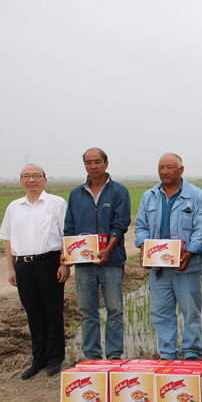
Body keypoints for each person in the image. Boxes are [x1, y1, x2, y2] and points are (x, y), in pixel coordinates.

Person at [0, 164, 71, 379]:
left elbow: (67, 235)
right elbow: (8, 240)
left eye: (36, 176)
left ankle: (55, 357)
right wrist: (11, 268)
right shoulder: (14, 207)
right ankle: (38, 359)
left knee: (53, 312)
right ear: (21, 181)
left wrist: (65, 265)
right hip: (23, 265)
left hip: (49, 262)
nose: (32, 180)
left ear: (44, 179)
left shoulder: (56, 203)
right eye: (27, 176)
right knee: (33, 314)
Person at [134, 153, 202, 360]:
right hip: (158, 268)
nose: (164, 171)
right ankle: (168, 353)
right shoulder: (149, 196)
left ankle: (192, 353)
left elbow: (201, 228)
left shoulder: (195, 195)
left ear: (181, 170)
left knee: (191, 312)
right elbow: (141, 227)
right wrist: (143, 247)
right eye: (161, 167)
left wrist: (190, 251)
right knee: (160, 312)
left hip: (187, 266)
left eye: (169, 167)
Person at [63, 148, 131, 360]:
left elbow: (121, 224)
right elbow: (69, 227)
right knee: (87, 310)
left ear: (106, 163)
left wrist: (108, 249)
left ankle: (114, 355)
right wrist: (68, 254)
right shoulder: (76, 194)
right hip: (83, 263)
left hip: (112, 261)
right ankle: (92, 355)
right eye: (88, 162)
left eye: (97, 162)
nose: (93, 166)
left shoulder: (119, 191)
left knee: (114, 309)